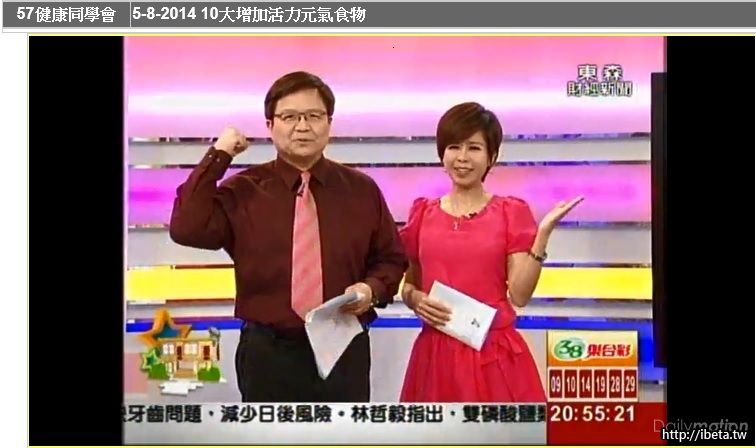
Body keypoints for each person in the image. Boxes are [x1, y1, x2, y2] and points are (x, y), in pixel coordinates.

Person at [169, 71, 408, 402]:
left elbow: (391, 259)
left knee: (343, 431)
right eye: (290, 116)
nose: (303, 126)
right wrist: (220, 154)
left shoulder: (361, 190)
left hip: (342, 347)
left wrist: (372, 290)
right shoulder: (244, 190)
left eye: (314, 116)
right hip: (268, 354)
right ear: (270, 125)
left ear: (329, 123)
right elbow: (186, 227)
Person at [398, 102, 583, 402]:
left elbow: (519, 295)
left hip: (493, 354)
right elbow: (410, 285)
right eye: (454, 147)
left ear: (492, 157)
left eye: (474, 148)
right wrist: (415, 299)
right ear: (442, 154)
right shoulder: (422, 214)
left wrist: (543, 235)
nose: (462, 157)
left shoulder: (510, 212)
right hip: (435, 355)